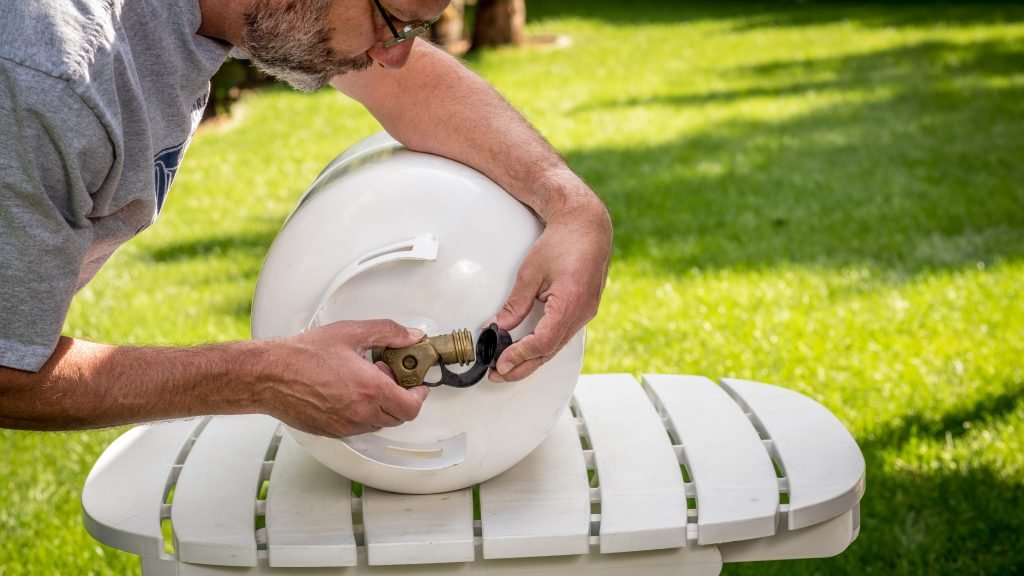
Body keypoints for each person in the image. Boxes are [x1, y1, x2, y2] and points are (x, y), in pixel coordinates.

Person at [0, 0, 612, 439]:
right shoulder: (51, 78)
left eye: (414, 28)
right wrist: (264, 377)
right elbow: (8, 373)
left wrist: (571, 205)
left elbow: (411, 88)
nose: (393, 57)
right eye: (389, 22)